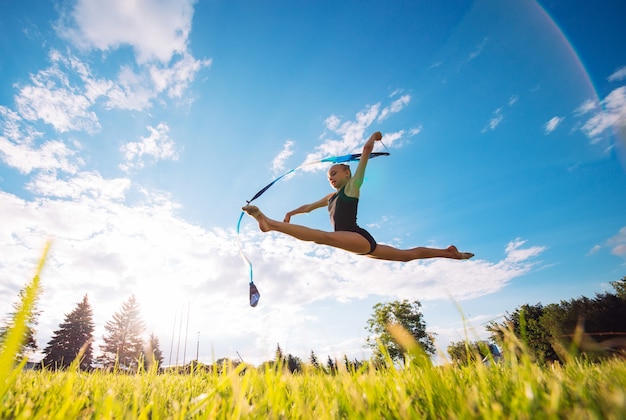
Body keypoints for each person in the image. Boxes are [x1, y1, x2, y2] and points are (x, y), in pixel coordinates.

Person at [242, 131, 474, 262]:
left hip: (355, 236)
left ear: (347, 172)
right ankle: (449, 253)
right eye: (328, 176)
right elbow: (309, 207)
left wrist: (373, 137)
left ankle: (268, 223)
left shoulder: (352, 187)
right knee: (407, 256)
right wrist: (291, 212)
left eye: (334, 173)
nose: (331, 178)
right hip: (360, 242)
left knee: (322, 237)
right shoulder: (331, 197)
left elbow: (365, 152)